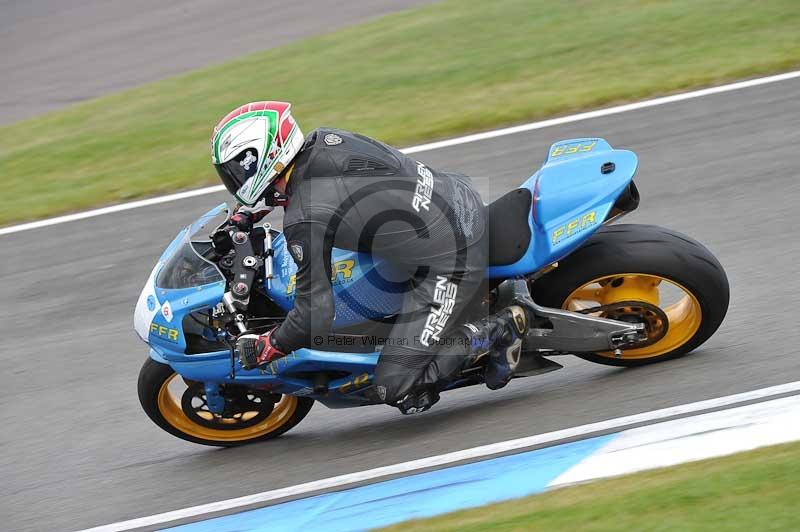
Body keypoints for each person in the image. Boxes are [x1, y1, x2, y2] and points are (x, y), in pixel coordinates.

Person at [212, 101, 527, 414]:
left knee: (395, 384)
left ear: (262, 158)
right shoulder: (326, 140)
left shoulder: (303, 220)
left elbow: (314, 316)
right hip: (455, 195)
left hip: (452, 259)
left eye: (237, 170)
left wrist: (270, 345)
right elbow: (326, 194)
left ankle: (501, 327)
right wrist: (260, 209)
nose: (234, 179)